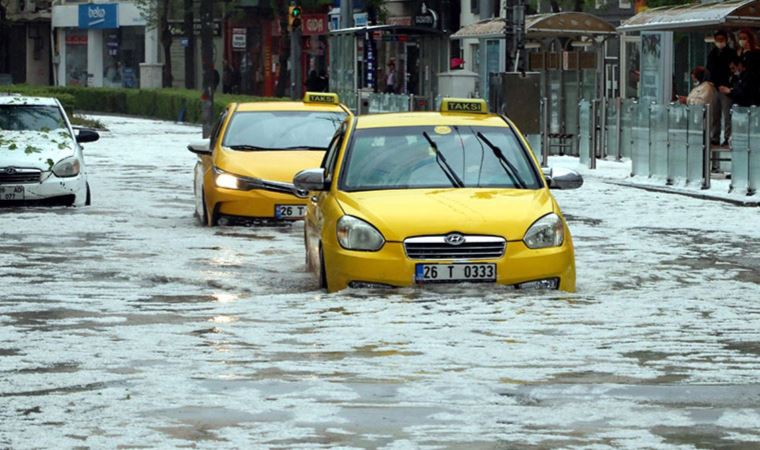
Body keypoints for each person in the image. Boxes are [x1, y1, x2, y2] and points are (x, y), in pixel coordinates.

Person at [706, 30, 736, 146]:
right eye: (717, 40)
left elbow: (732, 70)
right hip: (714, 87)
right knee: (714, 114)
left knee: (727, 114)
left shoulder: (731, 53)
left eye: (722, 40)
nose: (720, 42)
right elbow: (709, 69)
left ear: (726, 40)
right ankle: (715, 137)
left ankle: (728, 138)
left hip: (726, 87)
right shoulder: (712, 53)